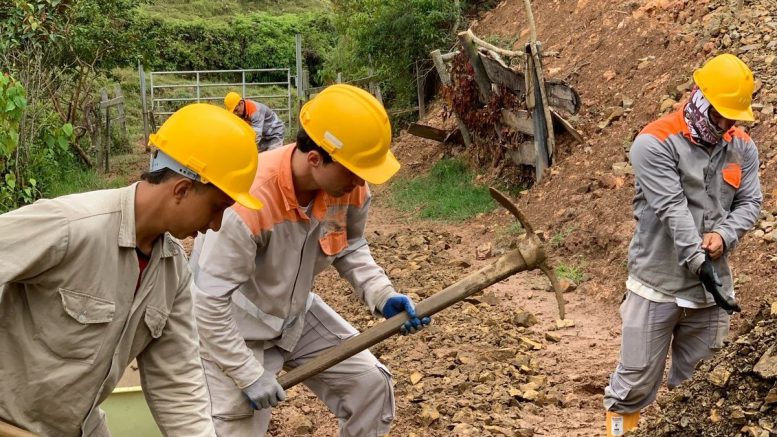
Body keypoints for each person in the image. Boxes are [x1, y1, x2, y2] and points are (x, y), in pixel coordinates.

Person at [0, 103, 263, 436]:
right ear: (182, 189)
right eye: (216, 208)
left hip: (82, 426)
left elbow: (178, 383)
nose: (216, 225)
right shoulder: (72, 226)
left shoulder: (173, 274)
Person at [191, 84, 431, 437]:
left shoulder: (347, 187)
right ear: (315, 159)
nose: (360, 182)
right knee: (234, 428)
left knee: (370, 387)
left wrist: (381, 294)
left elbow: (348, 243)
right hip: (232, 328)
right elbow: (207, 303)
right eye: (352, 171)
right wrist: (247, 373)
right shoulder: (248, 201)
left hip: (294, 316)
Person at [603, 53, 762, 436]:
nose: (726, 125)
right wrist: (698, 259)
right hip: (656, 286)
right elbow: (672, 209)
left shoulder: (741, 146)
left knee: (699, 391)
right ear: (701, 98)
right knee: (634, 384)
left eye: (733, 118)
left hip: (709, 296)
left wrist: (724, 237)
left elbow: (750, 203)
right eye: (721, 115)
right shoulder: (654, 142)